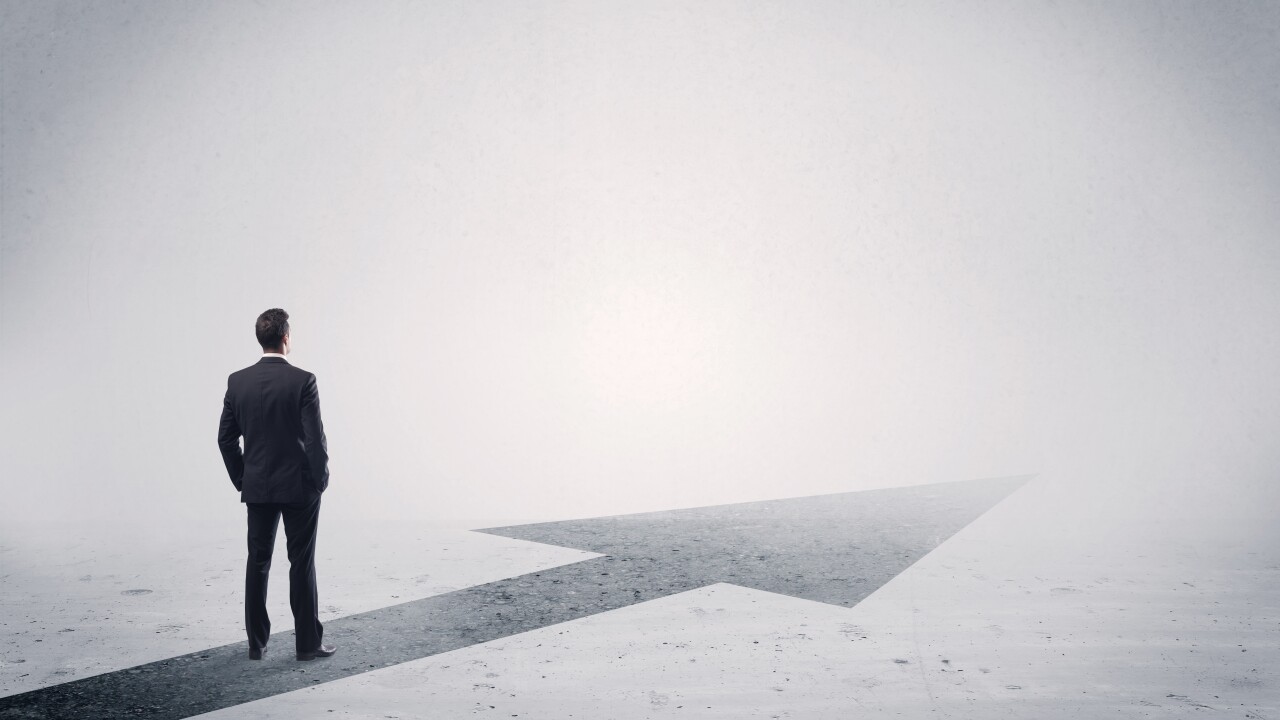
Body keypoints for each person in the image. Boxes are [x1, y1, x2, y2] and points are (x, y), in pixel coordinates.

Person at [217, 308, 336, 661]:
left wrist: (244, 478)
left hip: (258, 486)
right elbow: (315, 439)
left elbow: (225, 440)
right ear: (286, 337)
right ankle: (307, 645)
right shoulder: (303, 380)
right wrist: (321, 479)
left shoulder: (237, 382)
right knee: (301, 562)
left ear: (261, 339)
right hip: (300, 486)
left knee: (258, 561)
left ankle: (256, 644)